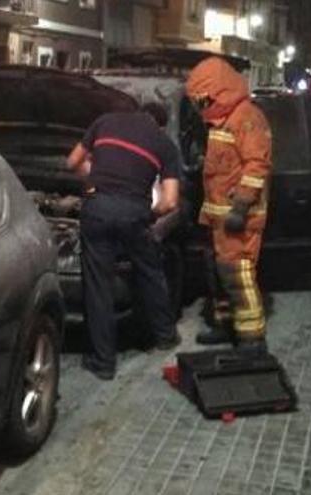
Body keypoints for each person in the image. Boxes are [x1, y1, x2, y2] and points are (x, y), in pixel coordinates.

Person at [66, 103, 183, 380]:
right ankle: (165, 335)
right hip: (134, 212)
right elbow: (170, 201)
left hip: (97, 209)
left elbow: (72, 162)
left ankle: (103, 363)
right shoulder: (165, 145)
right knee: (151, 272)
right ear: (161, 124)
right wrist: (150, 214)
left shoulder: (104, 119)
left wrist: (93, 182)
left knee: (98, 286)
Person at [186, 57, 272, 349]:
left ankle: (251, 338)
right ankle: (225, 324)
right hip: (217, 218)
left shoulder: (247, 118)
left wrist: (241, 207)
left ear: (218, 94)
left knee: (238, 276)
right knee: (218, 276)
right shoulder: (221, 120)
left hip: (239, 218)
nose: (201, 109)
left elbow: (256, 166)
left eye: (202, 101)